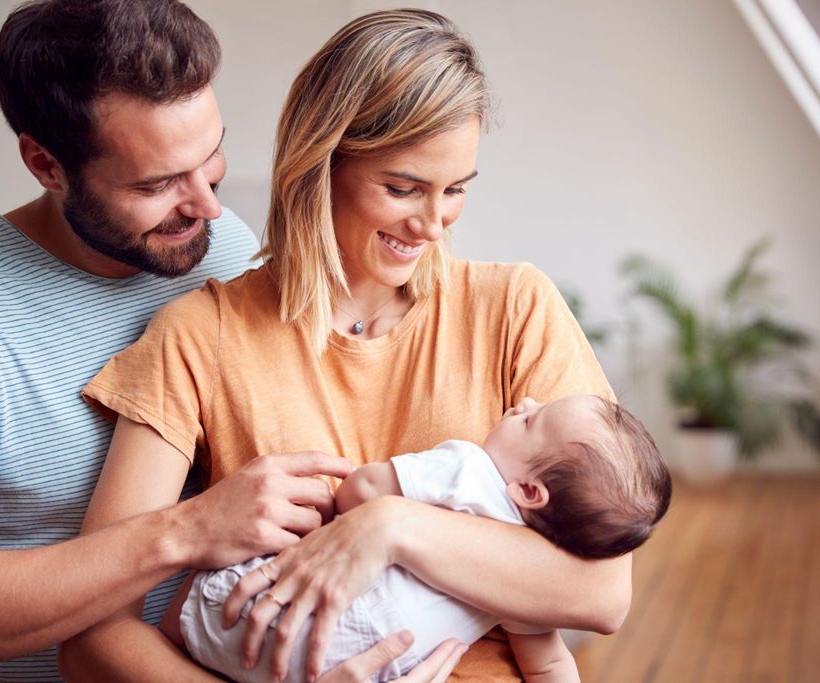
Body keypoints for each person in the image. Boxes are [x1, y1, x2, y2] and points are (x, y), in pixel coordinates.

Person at [68, 9, 633, 682]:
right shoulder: (199, 337)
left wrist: (390, 527)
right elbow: (92, 635)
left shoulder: (515, 308)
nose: (431, 223)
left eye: (454, 190)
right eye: (402, 188)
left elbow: (602, 592)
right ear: (321, 162)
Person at [0, 2, 452, 682]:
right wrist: (188, 530)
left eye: (211, 156)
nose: (208, 206)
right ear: (47, 164)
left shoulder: (221, 249)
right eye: (158, 183)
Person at [167, 394, 672, 682]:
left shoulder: (469, 469)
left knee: (205, 597)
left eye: (531, 419)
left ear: (528, 490)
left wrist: (356, 500)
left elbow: (360, 491)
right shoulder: (524, 581)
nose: (524, 402)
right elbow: (549, 665)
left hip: (276, 621)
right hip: (367, 667)